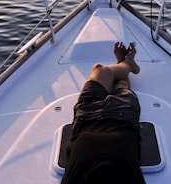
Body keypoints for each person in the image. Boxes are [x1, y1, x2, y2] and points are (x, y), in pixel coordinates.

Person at [61, 42, 146, 184]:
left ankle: (126, 65)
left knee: (100, 69)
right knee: (120, 85)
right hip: (121, 120)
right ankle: (127, 64)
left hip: (86, 119)